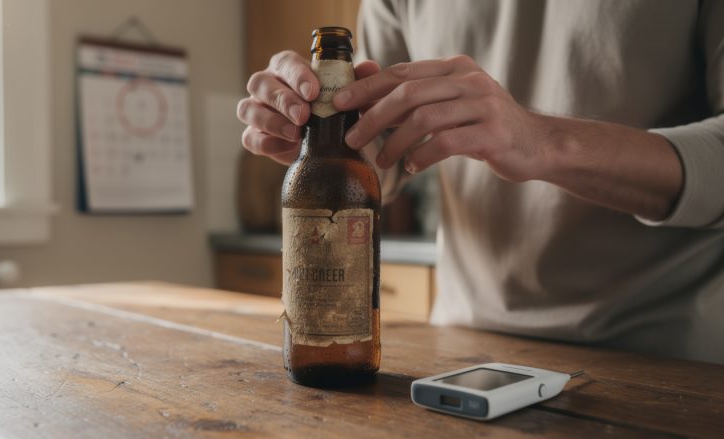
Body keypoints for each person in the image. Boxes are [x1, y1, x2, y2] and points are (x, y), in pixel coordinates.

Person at [236, 0, 724, 364]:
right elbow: (381, 142)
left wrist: (543, 140)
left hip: (663, 357)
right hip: (464, 350)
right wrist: (322, 140)